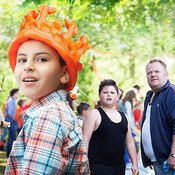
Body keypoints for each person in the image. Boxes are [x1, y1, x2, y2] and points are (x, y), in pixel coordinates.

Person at [5, 5, 89, 174]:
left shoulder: (48, 117)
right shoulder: (54, 113)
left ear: (64, 74)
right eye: (22, 60)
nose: (28, 66)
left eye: (42, 59)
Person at [83, 79, 139, 175]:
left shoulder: (124, 116)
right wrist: (84, 163)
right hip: (98, 167)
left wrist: (135, 163)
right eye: (105, 92)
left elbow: (129, 142)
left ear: (117, 96)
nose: (109, 94)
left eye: (112, 92)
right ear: (99, 95)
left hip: (119, 167)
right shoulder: (95, 114)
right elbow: (85, 140)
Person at [141, 58, 175, 175]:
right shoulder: (149, 95)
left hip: (170, 162)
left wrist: (173, 154)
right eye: (149, 73)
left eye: (157, 71)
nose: (153, 75)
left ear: (166, 74)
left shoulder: (171, 93)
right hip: (157, 162)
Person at [5, 88, 19, 157]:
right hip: (11, 121)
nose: (18, 95)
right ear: (14, 93)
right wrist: (15, 120)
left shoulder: (12, 100)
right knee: (12, 137)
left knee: (11, 137)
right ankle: (9, 153)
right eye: (17, 93)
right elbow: (10, 113)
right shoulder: (11, 101)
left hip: (11, 121)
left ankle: (9, 153)